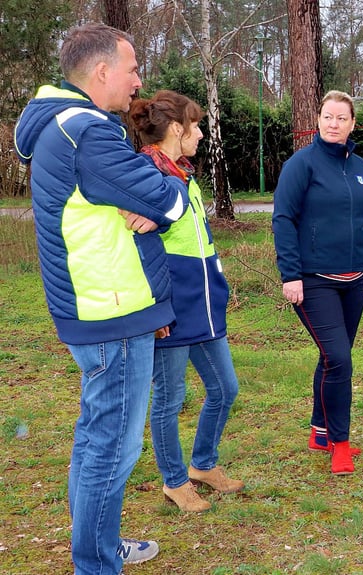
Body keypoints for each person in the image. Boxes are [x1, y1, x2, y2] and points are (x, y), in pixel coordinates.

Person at [13, 23, 188, 574]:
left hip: (97, 306)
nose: (139, 80)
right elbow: (164, 191)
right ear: (103, 72)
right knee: (112, 447)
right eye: (133, 69)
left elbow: (142, 193)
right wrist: (168, 199)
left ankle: (98, 548)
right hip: (110, 311)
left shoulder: (63, 126)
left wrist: (151, 202)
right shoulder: (86, 131)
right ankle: (95, 563)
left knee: (97, 439)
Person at [127, 90, 244, 513]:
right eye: (195, 126)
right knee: (170, 398)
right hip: (172, 307)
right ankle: (175, 482)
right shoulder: (146, 174)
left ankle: (203, 465)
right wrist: (156, 306)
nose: (200, 134)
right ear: (177, 129)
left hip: (205, 304)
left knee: (225, 389)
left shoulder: (182, 173)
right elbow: (141, 245)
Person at [273, 90, 363, 476]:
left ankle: (319, 430)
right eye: (327, 116)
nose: (333, 124)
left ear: (352, 124)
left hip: (354, 281)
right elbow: (283, 219)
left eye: (341, 118)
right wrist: (290, 275)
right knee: (340, 358)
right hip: (314, 281)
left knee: (332, 358)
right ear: (318, 120)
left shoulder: (361, 168)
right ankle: (340, 443)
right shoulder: (301, 165)